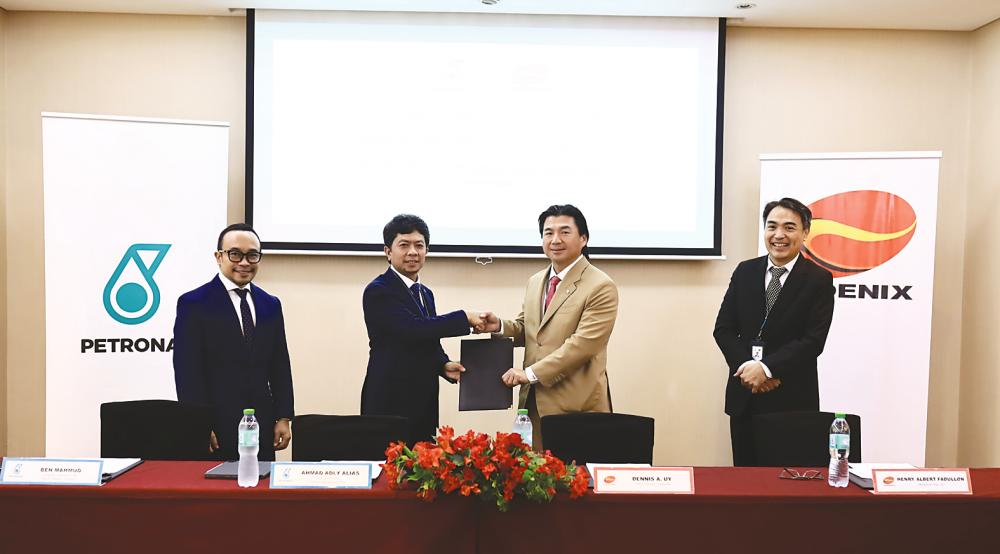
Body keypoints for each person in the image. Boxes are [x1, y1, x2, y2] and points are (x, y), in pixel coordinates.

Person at [481, 204, 619, 449]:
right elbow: (531, 330)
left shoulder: (600, 285)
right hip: (533, 404)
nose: (555, 239)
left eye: (565, 232)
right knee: (536, 480)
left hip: (577, 406)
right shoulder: (536, 281)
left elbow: (582, 346)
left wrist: (530, 374)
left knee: (576, 482)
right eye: (548, 233)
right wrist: (499, 326)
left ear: (584, 238)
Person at [713, 197, 835, 466]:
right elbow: (723, 329)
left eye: (790, 227)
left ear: (805, 232)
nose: (779, 235)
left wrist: (766, 369)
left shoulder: (818, 280)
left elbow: (813, 341)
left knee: (788, 486)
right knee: (744, 483)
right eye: (772, 226)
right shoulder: (745, 271)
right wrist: (749, 369)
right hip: (745, 395)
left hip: (791, 400)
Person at [361, 214, 487, 445]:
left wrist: (443, 364)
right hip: (389, 400)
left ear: (427, 250)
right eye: (404, 245)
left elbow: (428, 340)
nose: (412, 252)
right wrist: (465, 318)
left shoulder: (425, 293)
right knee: (389, 474)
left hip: (423, 401)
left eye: (419, 245)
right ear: (388, 252)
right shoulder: (378, 290)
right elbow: (411, 329)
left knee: (424, 471)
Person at [173, 223, 294, 461]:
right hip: (216, 425)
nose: (244, 262)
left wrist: (283, 416)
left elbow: (280, 364)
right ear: (219, 257)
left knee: (260, 492)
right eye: (235, 254)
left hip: (262, 424)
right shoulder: (193, 303)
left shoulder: (270, 304)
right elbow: (187, 371)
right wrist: (197, 424)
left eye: (252, 255)